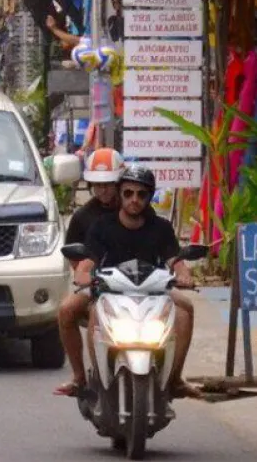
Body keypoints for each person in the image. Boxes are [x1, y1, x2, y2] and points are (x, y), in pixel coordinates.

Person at [54, 165, 197, 400]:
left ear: (150, 197)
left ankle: (175, 379)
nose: (134, 200)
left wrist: (184, 274)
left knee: (186, 309)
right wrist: (84, 276)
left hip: (153, 291)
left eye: (141, 194)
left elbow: (175, 260)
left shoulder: (161, 227)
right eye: (128, 193)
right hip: (107, 290)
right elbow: (87, 262)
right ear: (120, 195)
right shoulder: (101, 226)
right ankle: (82, 379)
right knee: (67, 309)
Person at [64, 147, 123, 246]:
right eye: (98, 184)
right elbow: (72, 254)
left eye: (108, 184)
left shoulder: (135, 211)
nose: (103, 190)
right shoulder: (81, 217)